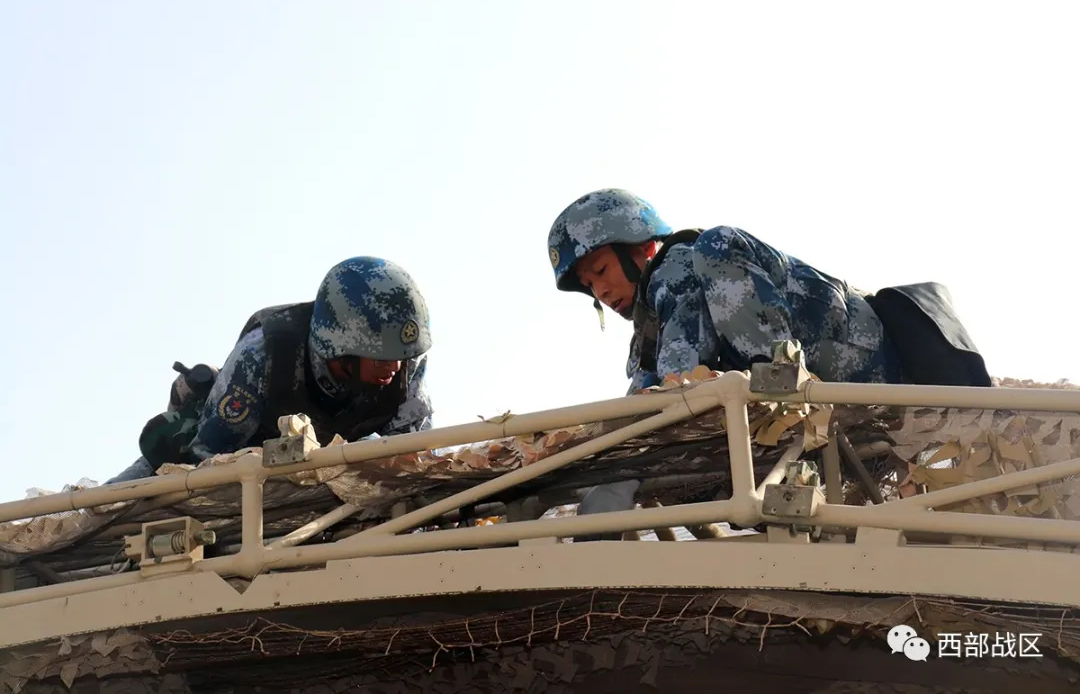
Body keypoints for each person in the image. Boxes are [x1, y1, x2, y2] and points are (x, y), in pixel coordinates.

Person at [545, 187, 991, 536]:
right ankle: (776, 422)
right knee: (691, 419)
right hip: (837, 412)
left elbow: (671, 381)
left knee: (717, 246)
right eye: (588, 284)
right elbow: (645, 395)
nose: (599, 291)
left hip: (860, 364)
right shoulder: (652, 327)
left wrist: (615, 474)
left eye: (601, 270)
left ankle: (779, 390)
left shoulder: (675, 267)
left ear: (640, 247)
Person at [106, 256, 434, 484]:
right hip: (231, 459)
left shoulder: (404, 363)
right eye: (380, 358)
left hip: (329, 487)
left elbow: (414, 458)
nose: (393, 367)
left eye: (400, 357)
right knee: (102, 510)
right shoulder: (262, 358)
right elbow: (204, 464)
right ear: (339, 348)